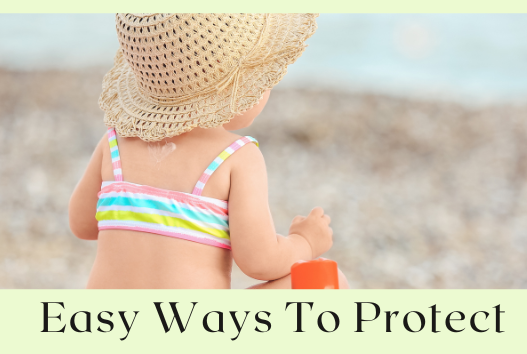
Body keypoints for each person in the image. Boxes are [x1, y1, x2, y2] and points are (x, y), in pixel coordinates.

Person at [69, 13, 346, 289]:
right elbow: (260, 261)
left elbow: (82, 224)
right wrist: (305, 242)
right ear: (236, 89)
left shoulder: (115, 143)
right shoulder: (236, 157)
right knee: (328, 282)